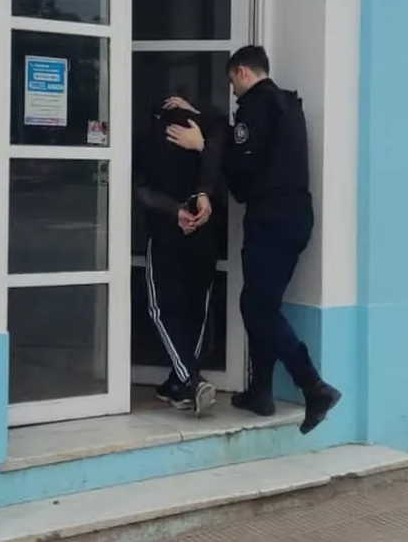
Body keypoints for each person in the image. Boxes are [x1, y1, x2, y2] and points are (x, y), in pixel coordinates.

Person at [165, 46, 341, 435]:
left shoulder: (254, 109)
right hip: (296, 217)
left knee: (257, 307)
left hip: (271, 220)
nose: (232, 92)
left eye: (231, 82)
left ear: (243, 72)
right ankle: (260, 392)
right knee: (263, 303)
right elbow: (246, 145)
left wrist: (203, 148)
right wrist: (199, 115)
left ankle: (314, 387)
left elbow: (242, 169)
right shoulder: (286, 105)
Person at [133, 96, 227, 416]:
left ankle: (190, 379)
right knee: (196, 309)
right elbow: (224, 168)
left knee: (160, 308)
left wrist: (175, 212)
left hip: (167, 233)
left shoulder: (148, 138)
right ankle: (179, 383)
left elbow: (141, 189)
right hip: (205, 234)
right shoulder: (210, 131)